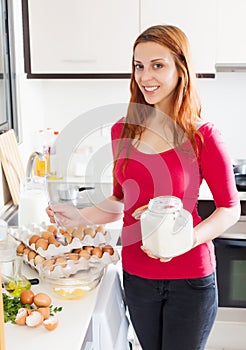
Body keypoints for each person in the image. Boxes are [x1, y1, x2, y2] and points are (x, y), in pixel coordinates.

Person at [46, 25, 240, 350]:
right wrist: (78, 217)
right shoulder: (122, 130)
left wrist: (188, 238)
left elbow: (229, 208)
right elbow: (119, 201)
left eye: (157, 65)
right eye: (139, 65)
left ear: (181, 69)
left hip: (190, 279)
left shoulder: (203, 135)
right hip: (137, 278)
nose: (145, 75)